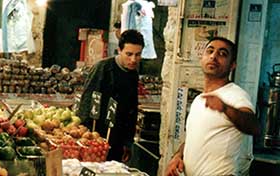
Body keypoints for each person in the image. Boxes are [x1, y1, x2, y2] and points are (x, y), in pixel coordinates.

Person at [165, 37, 260, 176]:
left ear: (232, 65)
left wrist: (225, 109)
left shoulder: (236, 95)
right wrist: (178, 156)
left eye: (222, 54)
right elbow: (194, 139)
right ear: (202, 58)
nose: (214, 56)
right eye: (210, 51)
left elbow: (254, 127)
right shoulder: (199, 99)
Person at [77, 29, 144, 162]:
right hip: (95, 139)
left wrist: (128, 143)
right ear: (119, 50)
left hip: (117, 140)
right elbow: (86, 103)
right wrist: (86, 138)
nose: (133, 59)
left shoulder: (133, 74)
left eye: (138, 55)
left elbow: (132, 109)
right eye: (129, 54)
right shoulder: (102, 68)